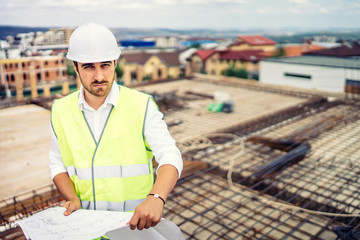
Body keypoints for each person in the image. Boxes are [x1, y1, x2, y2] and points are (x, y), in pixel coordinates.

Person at [49, 22, 182, 233]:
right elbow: (57, 164)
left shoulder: (141, 105)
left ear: (115, 63)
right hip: (88, 228)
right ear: (75, 67)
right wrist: (72, 198)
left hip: (134, 227)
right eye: (89, 67)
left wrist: (156, 198)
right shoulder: (60, 110)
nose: (99, 76)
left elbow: (170, 154)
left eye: (105, 65)